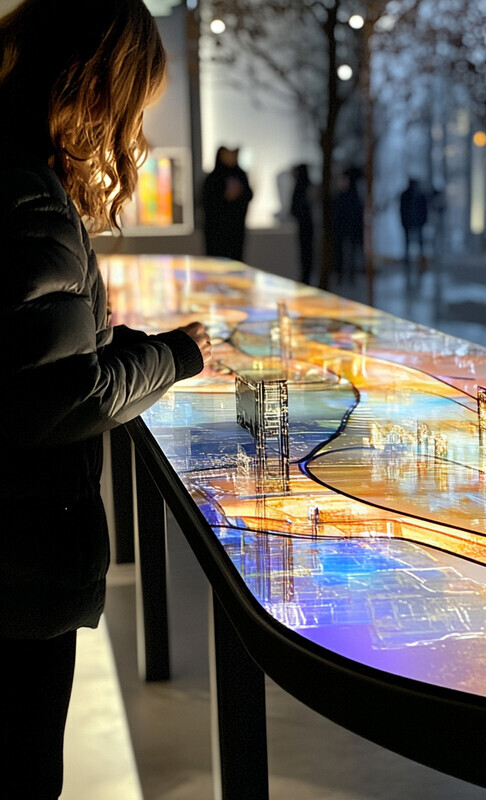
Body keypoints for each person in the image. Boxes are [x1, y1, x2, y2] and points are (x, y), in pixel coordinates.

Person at [0, 2, 212, 796]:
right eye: (134, 106)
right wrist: (177, 354)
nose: (134, 133)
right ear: (94, 90)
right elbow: (56, 399)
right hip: (18, 570)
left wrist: (127, 349)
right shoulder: (28, 201)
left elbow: (34, 363)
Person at [202, 145, 253, 261]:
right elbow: (208, 201)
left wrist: (238, 194)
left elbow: (249, 194)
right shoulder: (213, 178)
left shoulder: (240, 175)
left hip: (236, 230)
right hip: (217, 231)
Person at [332, 166, 364, 283]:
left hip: (348, 228)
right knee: (344, 253)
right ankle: (344, 275)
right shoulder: (346, 196)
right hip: (344, 228)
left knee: (350, 253)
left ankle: (349, 275)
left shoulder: (351, 196)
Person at [290, 163, 315, 284]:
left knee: (306, 254)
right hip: (305, 225)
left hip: (306, 225)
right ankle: (305, 278)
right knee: (305, 254)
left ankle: (306, 278)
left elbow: (294, 208)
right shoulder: (304, 186)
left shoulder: (303, 186)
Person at [399, 178, 428, 272]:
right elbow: (402, 209)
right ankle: (409, 259)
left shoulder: (419, 195)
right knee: (408, 243)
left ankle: (420, 259)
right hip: (409, 222)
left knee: (419, 243)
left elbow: (424, 209)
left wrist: (423, 221)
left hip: (417, 222)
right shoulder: (406, 195)